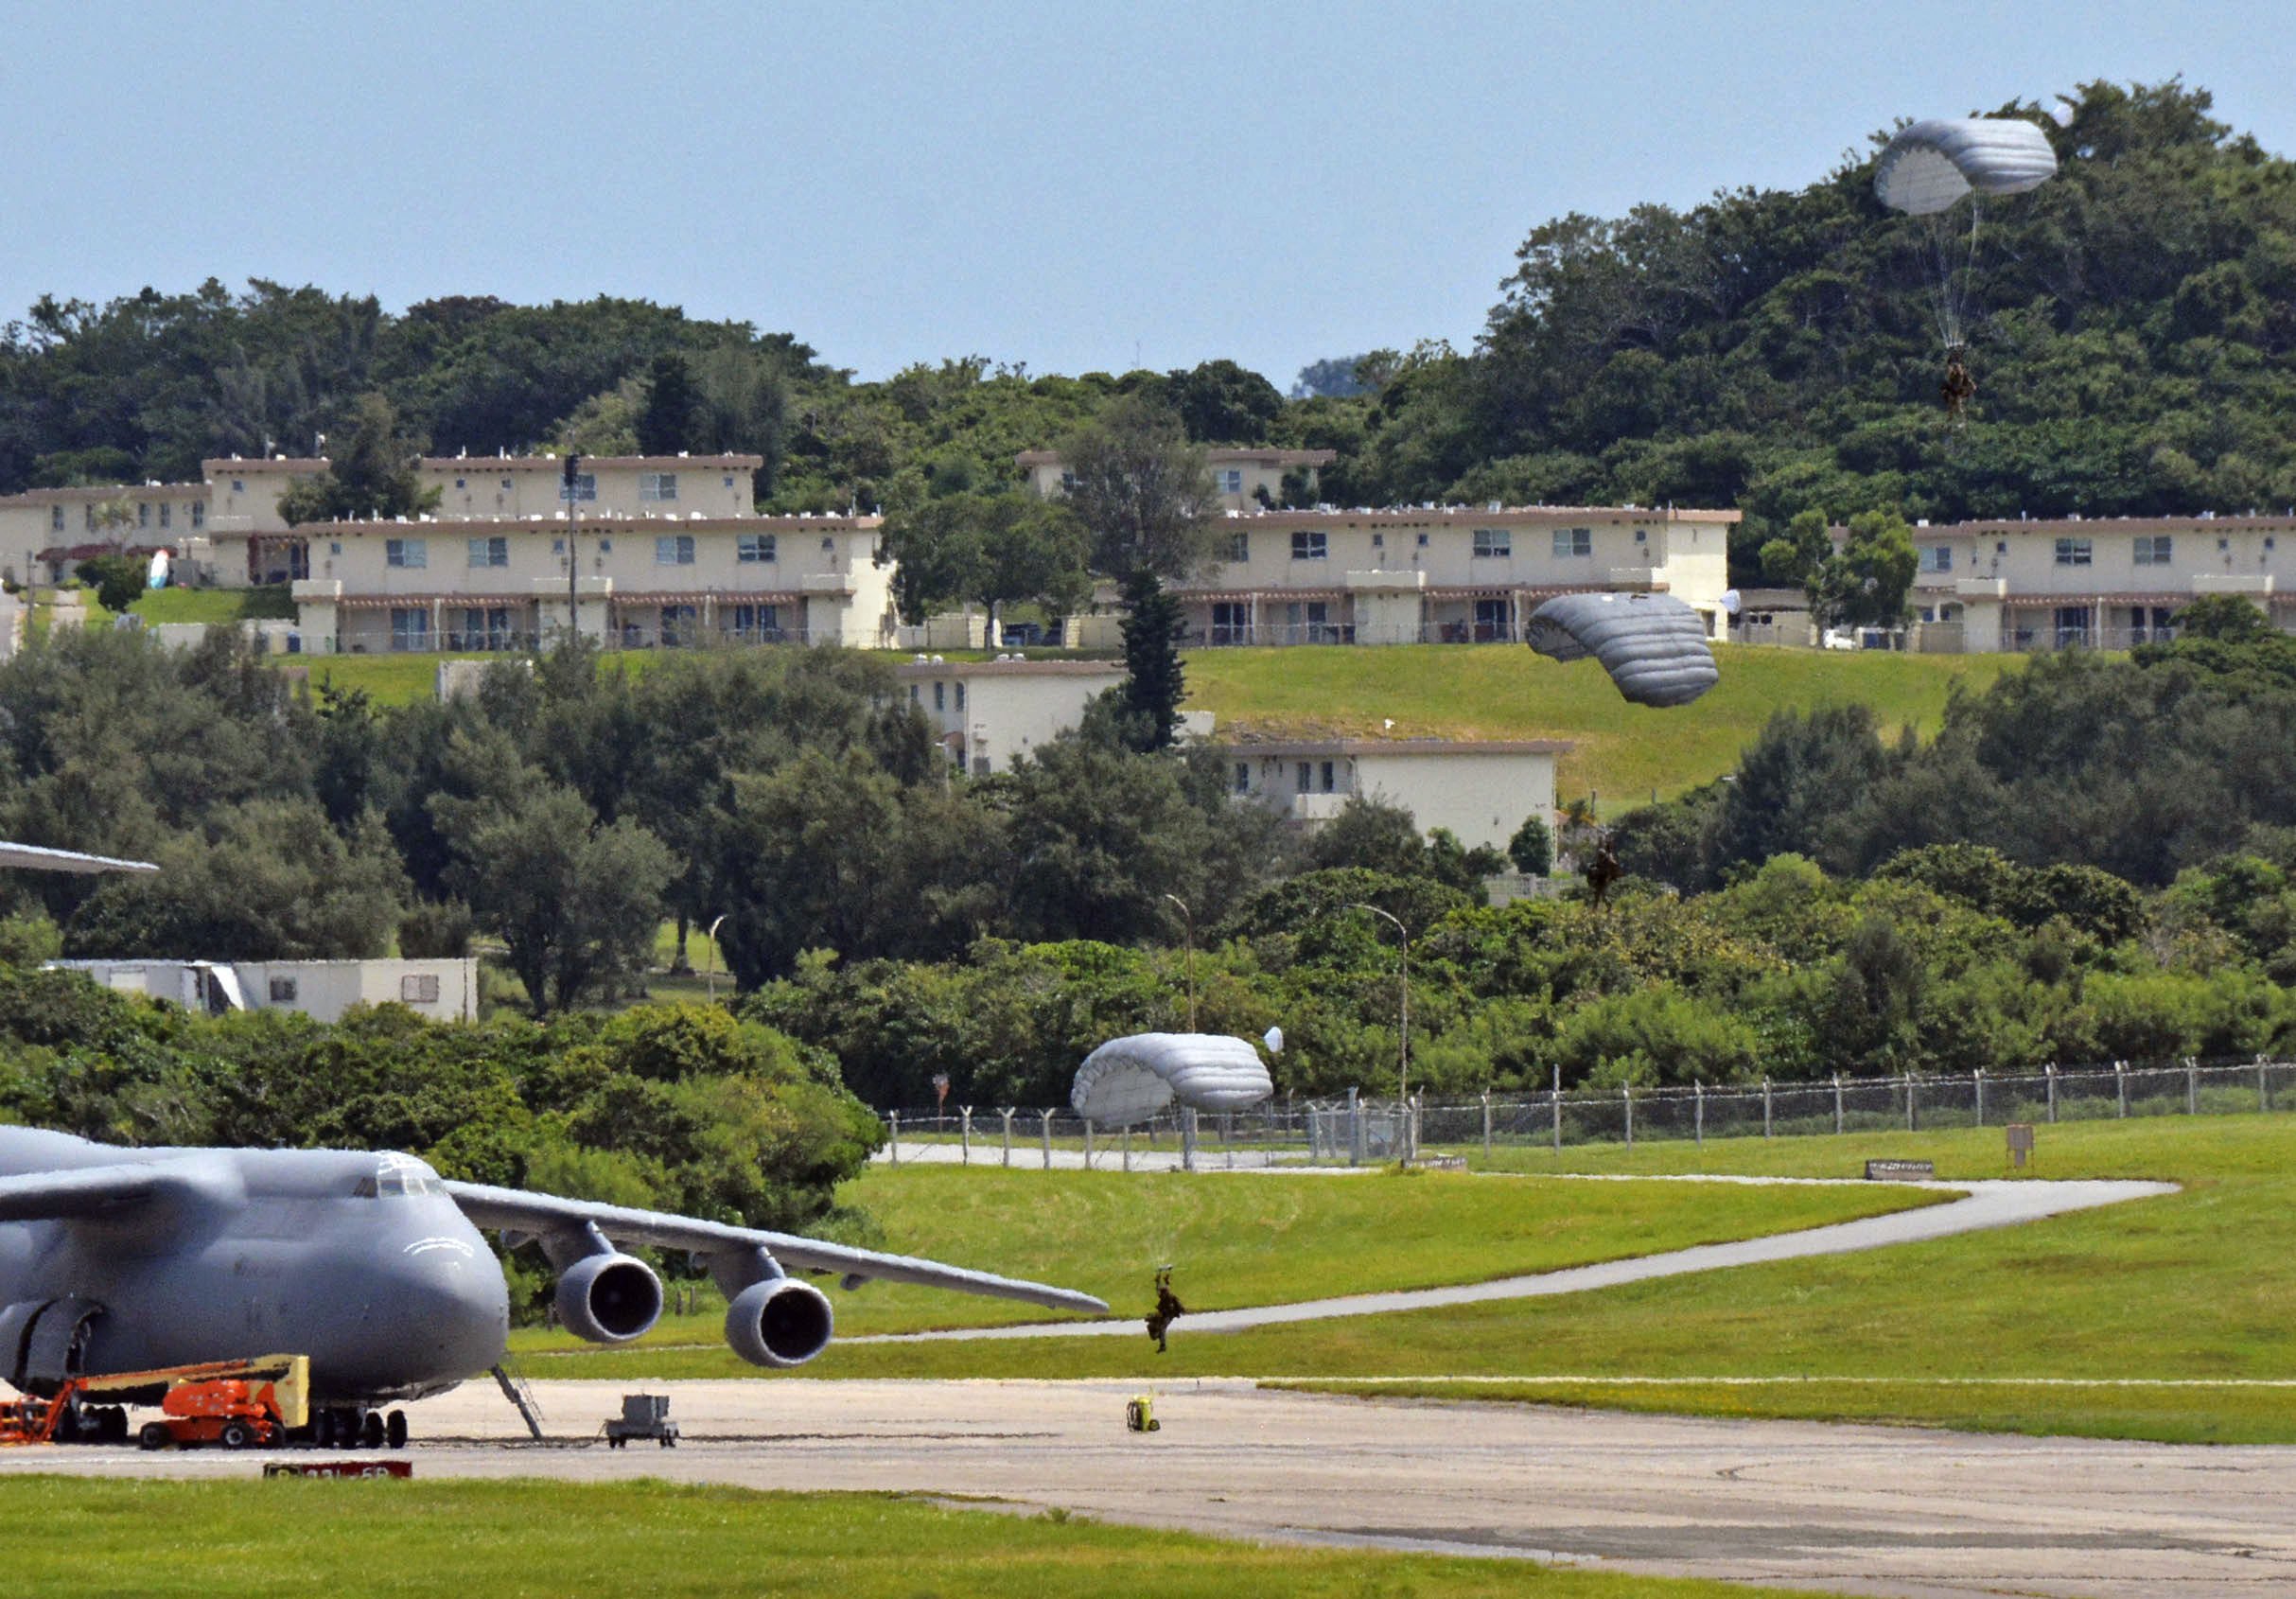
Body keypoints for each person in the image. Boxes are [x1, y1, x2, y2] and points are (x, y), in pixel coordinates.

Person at [1144, 1266, 1187, 1353]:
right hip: (1164, 1315)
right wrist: (1161, 1280)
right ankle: (1162, 1345)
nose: (1161, 1295)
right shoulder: (1166, 1296)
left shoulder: (1170, 1298)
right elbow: (1161, 1291)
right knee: (1159, 1326)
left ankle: (1163, 1346)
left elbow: (1163, 1292)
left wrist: (1159, 1281)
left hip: (1168, 1316)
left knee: (1162, 1328)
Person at [1940, 346, 1976, 423]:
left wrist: (1971, 387)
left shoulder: (1961, 376)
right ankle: (1955, 420)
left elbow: (1971, 384)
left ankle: (1958, 420)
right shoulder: (1957, 375)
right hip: (1955, 390)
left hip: (1956, 390)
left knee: (1956, 407)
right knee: (1956, 407)